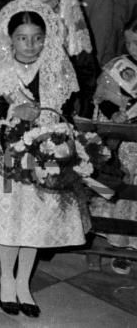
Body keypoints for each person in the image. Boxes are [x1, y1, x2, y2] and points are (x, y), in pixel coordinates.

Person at [0, 2, 90, 318]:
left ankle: (24, 281)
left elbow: (68, 111)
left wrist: (52, 127)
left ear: (46, 39)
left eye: (37, 38)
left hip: (45, 156)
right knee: (12, 219)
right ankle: (6, 278)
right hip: (7, 156)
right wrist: (13, 111)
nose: (30, 45)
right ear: (10, 40)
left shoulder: (55, 70)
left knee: (35, 221)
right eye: (22, 38)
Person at [20, 0, 98, 117]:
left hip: (61, 106)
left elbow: (86, 74)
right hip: (22, 102)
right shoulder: (19, 17)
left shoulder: (69, 25)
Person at [90, 17, 137, 264]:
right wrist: (114, 113)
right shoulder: (118, 67)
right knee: (121, 188)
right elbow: (102, 98)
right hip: (125, 141)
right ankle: (121, 242)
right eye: (129, 42)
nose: (132, 48)